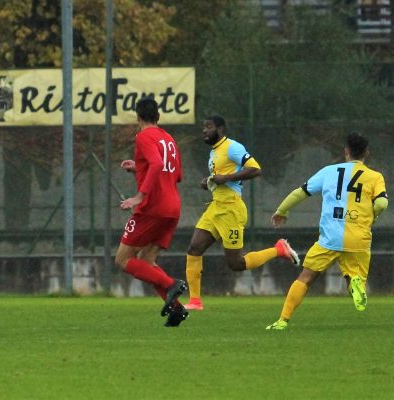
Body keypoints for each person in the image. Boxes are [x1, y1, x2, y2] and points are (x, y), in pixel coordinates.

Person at [267, 133, 388, 330]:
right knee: (354, 276)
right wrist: (373, 215)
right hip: (358, 237)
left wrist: (282, 210)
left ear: (346, 151)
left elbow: (301, 192)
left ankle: (283, 320)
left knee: (305, 277)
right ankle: (356, 282)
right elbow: (382, 203)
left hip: (329, 238)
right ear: (367, 152)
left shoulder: (329, 172)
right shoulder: (375, 177)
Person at [184, 115, 299, 311]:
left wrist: (225, 178)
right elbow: (220, 178)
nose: (204, 130)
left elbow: (255, 169)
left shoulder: (232, 147)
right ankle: (195, 301)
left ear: (220, 129)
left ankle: (279, 250)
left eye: (208, 127)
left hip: (231, 209)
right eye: (203, 127)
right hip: (216, 207)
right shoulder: (214, 152)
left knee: (235, 263)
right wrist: (209, 182)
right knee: (194, 249)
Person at [115, 97, 188, 327]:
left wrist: (139, 196)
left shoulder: (144, 136)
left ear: (138, 117)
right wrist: (138, 167)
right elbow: (175, 175)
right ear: (158, 116)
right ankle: (176, 310)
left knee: (123, 259)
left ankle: (171, 284)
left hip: (153, 207)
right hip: (172, 207)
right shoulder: (168, 138)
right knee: (147, 260)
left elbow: (156, 164)